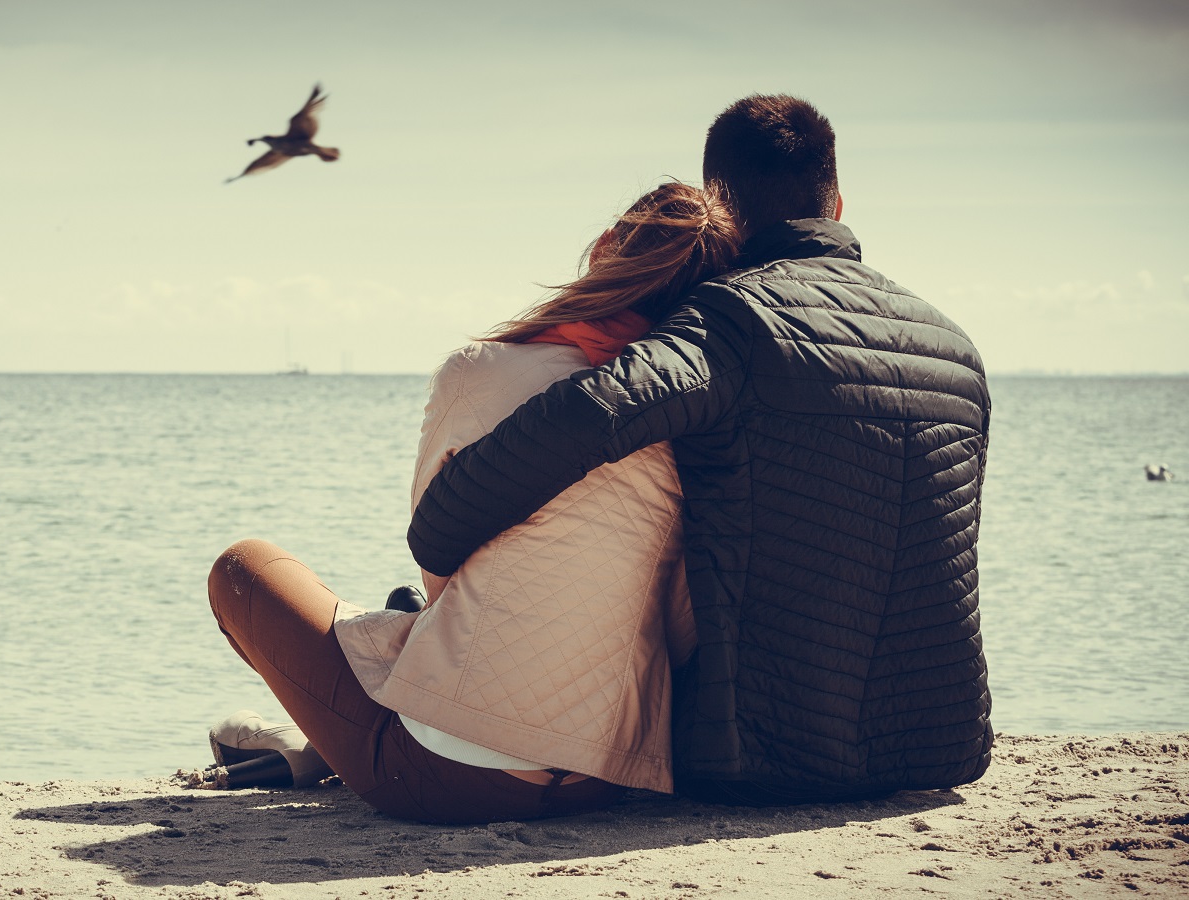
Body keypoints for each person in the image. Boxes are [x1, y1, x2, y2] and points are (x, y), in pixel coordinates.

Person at [407, 94, 994, 805]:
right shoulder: (958, 349)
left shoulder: (735, 320)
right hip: (941, 747)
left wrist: (440, 530)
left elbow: (593, 411)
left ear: (721, 212)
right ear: (837, 203)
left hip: (767, 760)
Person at [207, 182, 741, 824]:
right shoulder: (697, 418)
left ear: (604, 249)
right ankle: (316, 746)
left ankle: (314, 744)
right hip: (603, 774)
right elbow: (681, 618)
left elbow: (440, 572)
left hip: (444, 775)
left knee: (244, 570)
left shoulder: (480, 372)